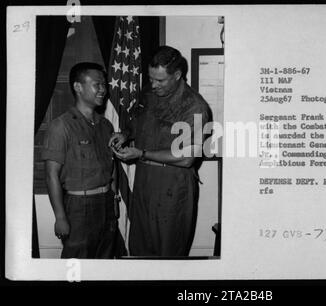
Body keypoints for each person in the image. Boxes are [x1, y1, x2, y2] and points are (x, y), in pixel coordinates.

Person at [109, 46, 212, 256]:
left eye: (160, 80)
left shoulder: (195, 107)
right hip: (144, 183)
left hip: (173, 188)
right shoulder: (150, 92)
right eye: (151, 78)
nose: (153, 85)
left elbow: (186, 158)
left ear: (177, 75)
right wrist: (126, 134)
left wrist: (142, 154)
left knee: (168, 253)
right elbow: (140, 122)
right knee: (140, 249)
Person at [42, 62, 122, 259]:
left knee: (104, 262)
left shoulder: (105, 125)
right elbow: (51, 175)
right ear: (78, 87)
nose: (103, 90)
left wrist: (113, 199)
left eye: (104, 85)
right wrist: (60, 217)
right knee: (77, 264)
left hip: (105, 204)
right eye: (97, 84)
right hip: (78, 207)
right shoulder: (61, 126)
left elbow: (112, 167)